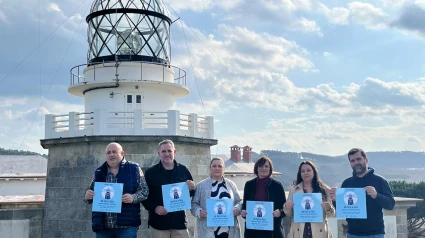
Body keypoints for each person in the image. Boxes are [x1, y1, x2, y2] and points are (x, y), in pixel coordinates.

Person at [84, 142, 149, 238]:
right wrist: (87, 195)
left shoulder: (134, 168)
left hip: (127, 226)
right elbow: (90, 191)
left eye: (114, 152)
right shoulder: (99, 172)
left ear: (122, 154)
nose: (111, 155)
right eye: (108, 152)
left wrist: (133, 197)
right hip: (103, 227)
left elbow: (144, 191)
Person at [329, 148, 395, 238]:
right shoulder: (347, 183)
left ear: (366, 160)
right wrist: (335, 200)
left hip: (375, 234)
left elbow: (390, 204)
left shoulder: (380, 181)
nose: (356, 163)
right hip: (353, 234)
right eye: (352, 161)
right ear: (350, 164)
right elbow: (342, 209)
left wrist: (376, 195)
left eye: (358, 159)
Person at [142, 139, 195, 238]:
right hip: (158, 223)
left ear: (174, 152)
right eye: (163, 151)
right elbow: (144, 195)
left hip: (179, 223)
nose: (167, 154)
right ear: (159, 153)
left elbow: (191, 194)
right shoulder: (150, 173)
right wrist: (155, 207)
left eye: (169, 151)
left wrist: (191, 188)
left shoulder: (183, 170)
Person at [191, 157, 242, 238]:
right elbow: (193, 204)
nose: (217, 168)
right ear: (210, 168)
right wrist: (199, 212)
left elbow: (239, 201)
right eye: (214, 166)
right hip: (207, 231)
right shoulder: (201, 186)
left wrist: (238, 209)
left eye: (219, 166)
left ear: (224, 169)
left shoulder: (231, 185)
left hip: (229, 231)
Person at [284, 161, 334, 238]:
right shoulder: (294, 189)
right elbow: (289, 214)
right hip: (299, 231)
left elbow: (331, 215)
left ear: (314, 172)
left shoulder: (324, 189)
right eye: (303, 171)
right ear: (300, 174)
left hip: (319, 232)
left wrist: (328, 208)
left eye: (308, 170)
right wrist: (287, 207)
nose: (305, 173)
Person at [241, 156, 286, 238]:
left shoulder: (277, 185)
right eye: (261, 166)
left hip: (273, 231)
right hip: (253, 231)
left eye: (266, 166)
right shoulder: (249, 185)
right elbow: (245, 206)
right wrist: (243, 212)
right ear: (256, 168)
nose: (263, 168)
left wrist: (280, 212)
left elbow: (284, 208)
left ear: (270, 169)